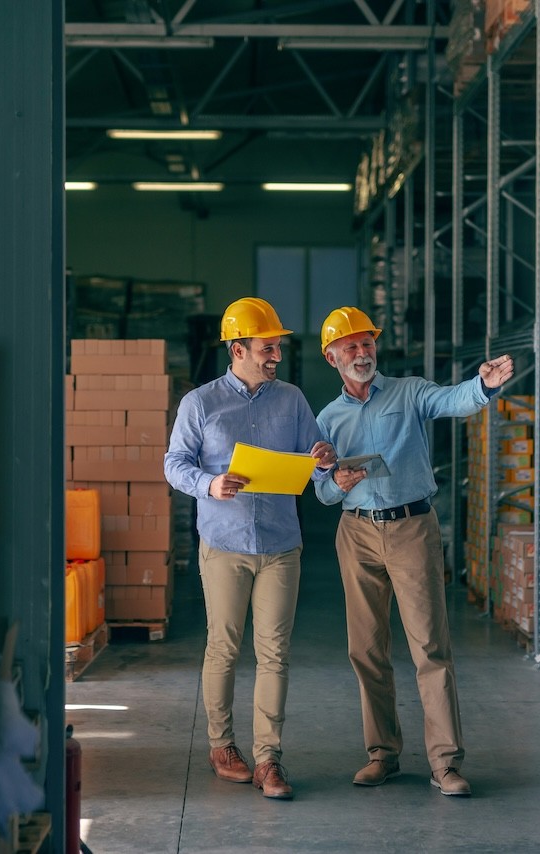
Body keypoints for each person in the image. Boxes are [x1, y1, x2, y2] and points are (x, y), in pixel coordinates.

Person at [312, 306, 513, 798]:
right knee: (366, 649)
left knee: (429, 647)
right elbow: (320, 491)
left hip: (411, 528)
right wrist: (336, 480)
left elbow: (455, 400)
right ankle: (382, 754)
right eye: (352, 346)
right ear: (331, 356)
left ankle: (446, 764)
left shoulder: (409, 391)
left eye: (367, 344)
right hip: (356, 533)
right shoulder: (327, 419)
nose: (362, 353)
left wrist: (483, 386)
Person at [164, 296, 337, 800]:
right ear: (238, 349)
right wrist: (209, 484)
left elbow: (318, 457)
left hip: (281, 544)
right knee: (224, 646)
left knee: (275, 652)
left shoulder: (293, 400)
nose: (275, 357)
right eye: (267, 348)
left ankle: (269, 760)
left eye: (277, 348)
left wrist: (324, 457)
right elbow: (174, 464)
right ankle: (222, 747)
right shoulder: (200, 403)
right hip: (224, 544)